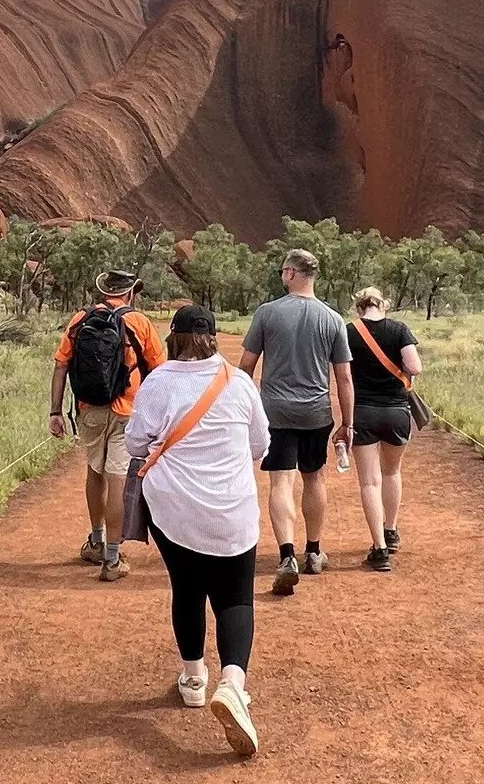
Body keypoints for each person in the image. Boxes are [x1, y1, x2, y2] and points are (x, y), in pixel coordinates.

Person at [125, 303, 268, 757]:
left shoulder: (158, 381)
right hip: (232, 512)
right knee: (235, 597)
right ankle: (232, 683)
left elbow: (134, 443)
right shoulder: (240, 382)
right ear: (212, 337)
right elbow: (260, 443)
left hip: (174, 510)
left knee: (186, 589)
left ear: (174, 337)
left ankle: (193, 678)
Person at [239, 247, 353, 596]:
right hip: (316, 412)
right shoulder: (333, 319)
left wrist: (243, 411)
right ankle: (314, 552)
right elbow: (345, 378)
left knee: (280, 482)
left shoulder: (267, 314)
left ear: (290, 273)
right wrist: (347, 423)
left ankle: (286, 554)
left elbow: (245, 367)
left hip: (275, 411)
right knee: (315, 477)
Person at [49, 269, 166, 581]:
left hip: (89, 409)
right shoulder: (139, 322)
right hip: (128, 409)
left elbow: (61, 365)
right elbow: (158, 371)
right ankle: (112, 559)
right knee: (118, 479)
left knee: (94, 470)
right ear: (129, 294)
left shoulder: (80, 319)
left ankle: (96, 540)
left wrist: (55, 412)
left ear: (105, 292)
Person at [345, 287, 423, 571]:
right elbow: (415, 366)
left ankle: (379, 549)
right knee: (392, 472)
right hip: (396, 411)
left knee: (369, 482)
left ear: (359, 307)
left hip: (363, 411)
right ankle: (391, 530)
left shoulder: (348, 332)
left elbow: (341, 374)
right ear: (384, 305)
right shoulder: (399, 329)